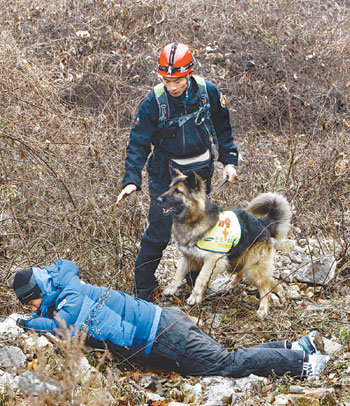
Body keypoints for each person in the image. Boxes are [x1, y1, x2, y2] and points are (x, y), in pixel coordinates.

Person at [10, 259, 330, 380]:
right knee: (225, 357)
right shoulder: (64, 284)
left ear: (39, 291)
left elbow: (63, 324)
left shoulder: (69, 297)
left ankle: (302, 365)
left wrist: (25, 323)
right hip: (164, 324)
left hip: (163, 336)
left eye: (32, 300)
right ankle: (295, 347)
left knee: (226, 365)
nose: (34, 306)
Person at [116, 42, 239, 302]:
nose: (173, 86)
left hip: (198, 177)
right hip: (166, 176)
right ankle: (143, 290)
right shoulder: (154, 101)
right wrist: (132, 179)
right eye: (167, 79)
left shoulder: (208, 93)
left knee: (200, 229)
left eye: (179, 80)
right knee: (159, 230)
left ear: (189, 74)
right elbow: (138, 142)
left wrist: (229, 161)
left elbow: (223, 128)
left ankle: (196, 283)